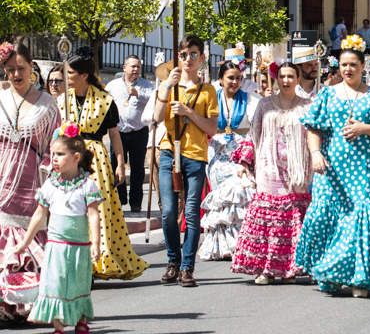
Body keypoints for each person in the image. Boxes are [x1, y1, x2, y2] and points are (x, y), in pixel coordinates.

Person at [295, 34, 370, 298]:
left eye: (353, 65)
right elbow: (313, 128)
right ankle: (331, 274)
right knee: (331, 217)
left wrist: (364, 128)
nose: (347, 69)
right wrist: (315, 153)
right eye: (344, 65)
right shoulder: (328, 95)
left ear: (362, 67)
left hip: (366, 167)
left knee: (362, 216)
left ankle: (361, 279)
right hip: (332, 167)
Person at [61, 47, 148, 281]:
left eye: (70, 73)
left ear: (83, 75)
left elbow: (115, 135)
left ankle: (97, 258)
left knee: (96, 210)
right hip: (67, 157)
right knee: (70, 210)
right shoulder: (63, 101)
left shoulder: (105, 101)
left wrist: (120, 163)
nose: (66, 77)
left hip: (95, 159)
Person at [15, 128, 101, 334]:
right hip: (55, 247)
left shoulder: (87, 186)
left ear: (76, 157)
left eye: (60, 154)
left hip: (79, 247)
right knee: (54, 285)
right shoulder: (50, 185)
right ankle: (58, 327)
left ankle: (81, 319)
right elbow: (39, 215)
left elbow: (93, 215)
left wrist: (96, 243)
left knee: (78, 285)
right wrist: (25, 242)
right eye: (53, 154)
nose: (54, 158)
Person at [231, 62, 311, 284]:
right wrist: (244, 162)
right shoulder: (265, 105)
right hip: (269, 168)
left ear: (297, 79)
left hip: (297, 170)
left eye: (290, 76)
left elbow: (317, 136)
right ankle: (264, 269)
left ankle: (289, 269)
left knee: (292, 218)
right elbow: (253, 135)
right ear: (277, 79)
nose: (286, 80)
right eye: (282, 76)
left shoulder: (307, 105)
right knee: (268, 217)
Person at [0, 42, 61, 321]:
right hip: (2, 181)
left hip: (32, 183)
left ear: (32, 69)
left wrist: (52, 179)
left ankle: (28, 305)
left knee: (29, 243)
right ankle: (4, 305)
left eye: (21, 68)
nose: (16, 74)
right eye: (10, 69)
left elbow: (54, 147)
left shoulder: (47, 105)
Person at [153, 35, 219, 287]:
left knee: (191, 212)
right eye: (183, 55)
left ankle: (187, 266)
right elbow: (157, 117)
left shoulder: (208, 91)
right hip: (170, 151)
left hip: (194, 155)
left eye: (193, 54)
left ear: (202, 58)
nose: (188, 59)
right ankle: (173, 260)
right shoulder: (169, 86)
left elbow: (211, 128)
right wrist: (166, 89)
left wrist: (189, 112)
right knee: (169, 211)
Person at [197, 61, 259, 261]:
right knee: (221, 200)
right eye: (230, 78)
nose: (234, 82)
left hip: (240, 153)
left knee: (241, 192)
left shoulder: (250, 100)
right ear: (221, 79)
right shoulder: (211, 98)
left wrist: (248, 154)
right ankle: (221, 246)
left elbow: (256, 128)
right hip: (217, 155)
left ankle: (241, 243)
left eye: (238, 78)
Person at [105, 55, 154, 212]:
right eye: (132, 66)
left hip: (139, 131)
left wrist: (138, 94)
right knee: (116, 166)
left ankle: (136, 202)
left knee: (138, 168)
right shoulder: (112, 85)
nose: (135, 70)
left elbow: (154, 100)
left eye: (138, 67)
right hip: (118, 132)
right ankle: (119, 199)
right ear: (124, 67)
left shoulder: (147, 85)